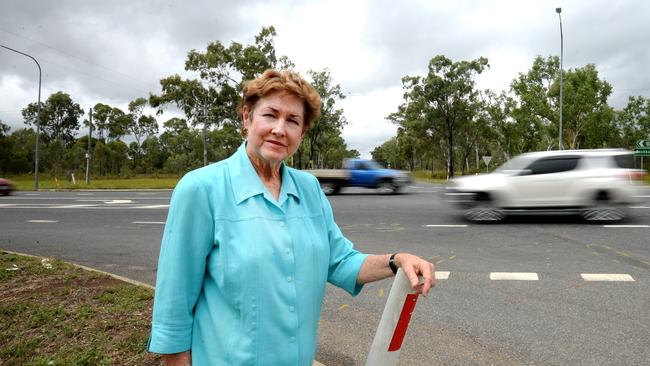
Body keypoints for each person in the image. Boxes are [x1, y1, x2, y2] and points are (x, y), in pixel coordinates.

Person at [148, 69, 435, 366]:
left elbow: (340, 260)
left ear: (302, 132)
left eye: (293, 121)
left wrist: (397, 260)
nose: (280, 129)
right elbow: (174, 305)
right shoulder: (201, 189)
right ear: (247, 117)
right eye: (270, 115)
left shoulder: (309, 188)